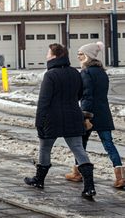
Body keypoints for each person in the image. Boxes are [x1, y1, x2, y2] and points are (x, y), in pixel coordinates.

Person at [25, 43, 96, 199]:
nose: (46, 56)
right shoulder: (75, 73)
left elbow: (43, 101)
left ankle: (39, 180)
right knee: (78, 148)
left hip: (52, 118)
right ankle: (89, 187)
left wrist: (39, 122)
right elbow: (79, 94)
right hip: (73, 115)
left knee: (45, 148)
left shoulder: (50, 75)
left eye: (48, 53)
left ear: (55, 56)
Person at [65, 42, 123, 188]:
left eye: (81, 54)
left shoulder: (85, 72)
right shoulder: (102, 72)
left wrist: (85, 115)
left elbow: (87, 96)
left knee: (80, 144)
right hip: (104, 113)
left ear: (88, 56)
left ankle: (77, 172)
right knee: (109, 144)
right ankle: (120, 176)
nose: (78, 57)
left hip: (89, 113)